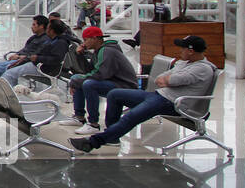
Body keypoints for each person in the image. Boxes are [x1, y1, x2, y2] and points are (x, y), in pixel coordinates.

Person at [71, 35, 217, 153]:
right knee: (115, 94)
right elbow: (163, 77)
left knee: (131, 117)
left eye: (182, 49)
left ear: (191, 51)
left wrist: (167, 80)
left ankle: (93, 142)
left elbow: (173, 79)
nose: (180, 51)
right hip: (159, 95)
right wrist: (166, 80)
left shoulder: (202, 69)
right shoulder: (185, 63)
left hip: (173, 103)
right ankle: (112, 135)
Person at [68, 26, 139, 135]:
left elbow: (100, 74)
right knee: (77, 79)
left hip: (125, 86)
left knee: (88, 84)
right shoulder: (98, 51)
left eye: (86, 40)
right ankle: (79, 117)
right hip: (112, 82)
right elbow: (88, 71)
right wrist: (80, 55)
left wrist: (77, 81)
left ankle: (93, 124)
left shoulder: (107, 51)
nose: (84, 43)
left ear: (95, 38)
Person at [0, 15, 66, 87]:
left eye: (48, 28)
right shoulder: (50, 40)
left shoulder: (59, 43)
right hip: (34, 63)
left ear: (52, 31)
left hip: (41, 67)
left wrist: (37, 58)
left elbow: (55, 59)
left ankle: (4, 95)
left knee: (9, 73)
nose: (47, 30)